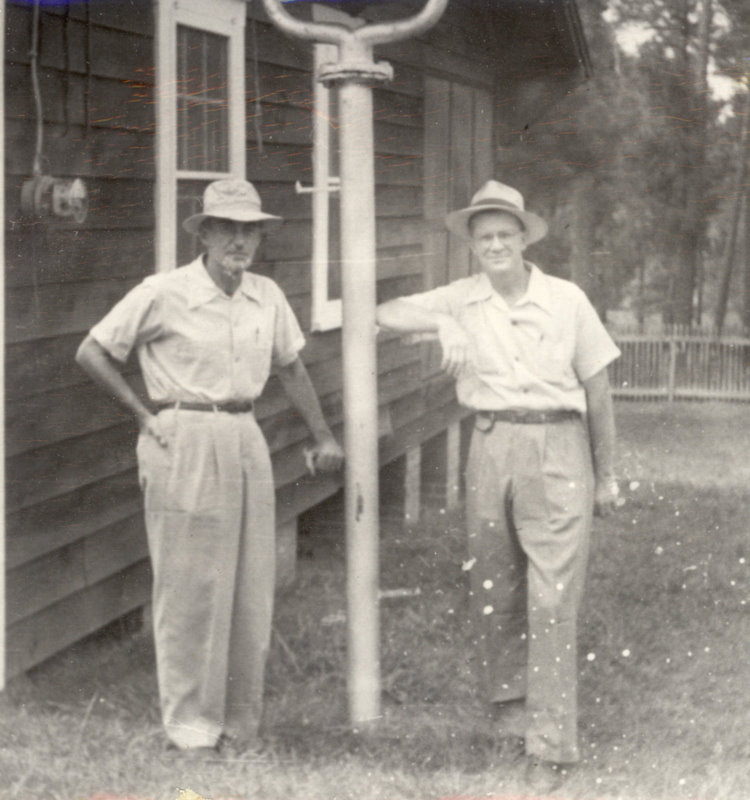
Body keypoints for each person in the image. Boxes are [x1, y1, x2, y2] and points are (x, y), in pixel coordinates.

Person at [76, 179, 344, 760]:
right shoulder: (165, 292)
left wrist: (322, 434)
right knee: (192, 585)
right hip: (183, 435)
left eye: (250, 230)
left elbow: (291, 370)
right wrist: (145, 416)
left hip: (243, 434)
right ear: (206, 233)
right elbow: (93, 351)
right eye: (228, 228)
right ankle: (191, 728)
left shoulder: (266, 295)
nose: (240, 241)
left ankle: (239, 724)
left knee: (250, 582)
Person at [375, 180, 621, 790]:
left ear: (523, 238)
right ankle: (511, 718)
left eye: (504, 235)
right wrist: (443, 322)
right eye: (483, 238)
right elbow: (384, 313)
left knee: (552, 598)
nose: (494, 246)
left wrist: (606, 475)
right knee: (495, 586)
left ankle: (552, 747)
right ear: (473, 245)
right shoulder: (464, 298)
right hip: (489, 446)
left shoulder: (566, 300)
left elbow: (598, 392)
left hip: (558, 447)